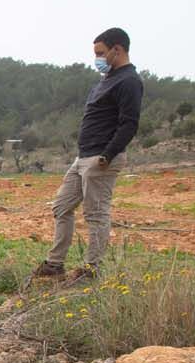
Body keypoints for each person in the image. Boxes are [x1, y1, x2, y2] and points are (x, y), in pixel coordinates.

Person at [33, 27, 144, 281]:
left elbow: (129, 123)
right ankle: (55, 264)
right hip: (83, 157)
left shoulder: (129, 81)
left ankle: (91, 269)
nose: (97, 59)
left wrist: (107, 154)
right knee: (62, 206)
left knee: (96, 214)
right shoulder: (108, 79)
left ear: (118, 50)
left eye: (101, 53)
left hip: (100, 159)